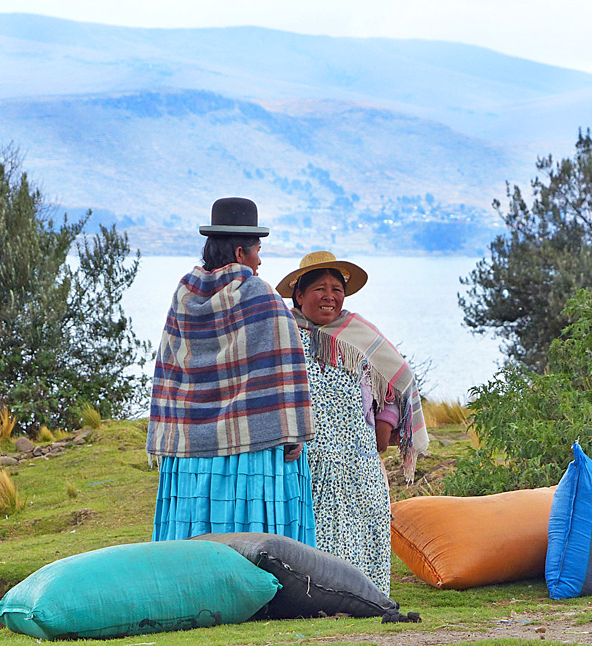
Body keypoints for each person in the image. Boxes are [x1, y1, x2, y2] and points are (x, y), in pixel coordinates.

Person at [147, 198, 316, 544]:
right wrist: (292, 433)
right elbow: (285, 367)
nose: (260, 260)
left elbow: (170, 364)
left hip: (190, 451)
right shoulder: (259, 296)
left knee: (193, 540)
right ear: (240, 253)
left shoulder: (183, 296)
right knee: (251, 543)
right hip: (248, 453)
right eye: (257, 251)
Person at [276, 250, 429, 594]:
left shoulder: (358, 335)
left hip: (357, 459)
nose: (330, 296)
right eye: (319, 288)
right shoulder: (281, 333)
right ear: (299, 295)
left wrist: (384, 431)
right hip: (305, 458)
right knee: (316, 529)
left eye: (336, 288)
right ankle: (316, 598)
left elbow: (397, 382)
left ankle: (368, 597)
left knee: (366, 522)